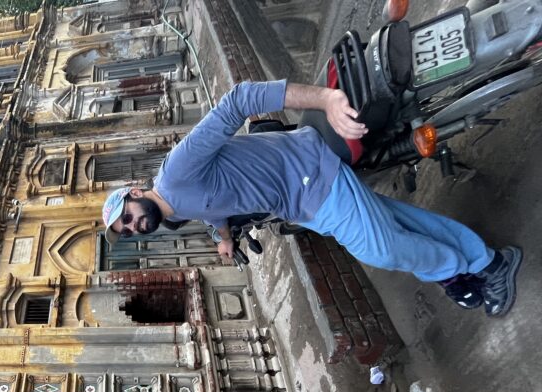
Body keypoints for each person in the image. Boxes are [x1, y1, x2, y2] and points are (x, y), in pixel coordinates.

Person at [101, 79, 522, 316]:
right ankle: (482, 260)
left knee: (382, 247)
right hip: (303, 202)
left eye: (129, 215)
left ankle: (471, 270)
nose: (135, 225)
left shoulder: (175, 171)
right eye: (129, 230)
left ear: (136, 193)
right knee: (397, 224)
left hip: (309, 172)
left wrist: (327, 98)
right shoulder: (177, 205)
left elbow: (240, 100)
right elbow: (216, 205)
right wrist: (223, 236)